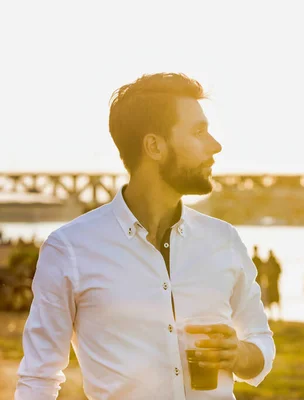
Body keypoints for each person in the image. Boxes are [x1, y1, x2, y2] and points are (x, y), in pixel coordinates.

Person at [15, 73, 275, 399]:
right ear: (154, 146)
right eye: (198, 132)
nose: (215, 145)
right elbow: (39, 378)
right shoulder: (70, 250)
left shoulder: (223, 240)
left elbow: (260, 338)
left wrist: (239, 355)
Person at [265, 249, 282, 321]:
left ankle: (276, 315)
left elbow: (279, 271)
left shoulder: (272, 262)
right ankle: (275, 315)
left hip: (273, 283)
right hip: (272, 283)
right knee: (273, 300)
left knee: (274, 300)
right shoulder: (272, 262)